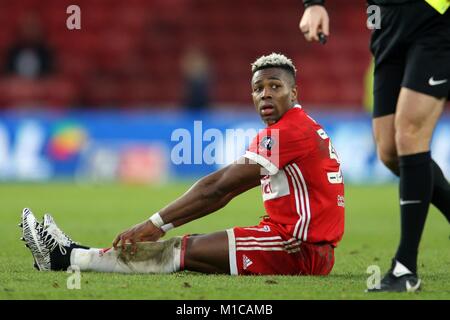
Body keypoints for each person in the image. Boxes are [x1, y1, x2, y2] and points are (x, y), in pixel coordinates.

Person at [20, 53, 344, 276]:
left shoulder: (288, 132)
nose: (265, 95)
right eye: (258, 89)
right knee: (189, 249)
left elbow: (218, 188)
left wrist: (154, 224)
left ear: (294, 92)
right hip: (297, 244)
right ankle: (70, 254)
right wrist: (160, 225)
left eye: (276, 86)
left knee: (179, 252)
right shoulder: (300, 127)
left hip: (296, 248)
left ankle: (69, 257)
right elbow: (223, 193)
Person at [299, 0, 450, 292]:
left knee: (409, 133)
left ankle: (405, 269)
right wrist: (314, 4)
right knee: (390, 152)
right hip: (384, 23)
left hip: (434, 17)